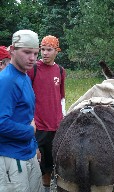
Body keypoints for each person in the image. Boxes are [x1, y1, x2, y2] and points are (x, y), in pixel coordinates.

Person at [0, 29, 43, 191]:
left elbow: (26, 116)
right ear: (12, 50)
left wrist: (35, 146)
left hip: (27, 152)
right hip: (10, 157)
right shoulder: (7, 81)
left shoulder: (24, 76)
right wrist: (29, 131)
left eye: (35, 53)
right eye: (26, 52)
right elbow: (1, 122)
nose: (32, 58)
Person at [27, 35, 66, 187]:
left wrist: (62, 118)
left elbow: (61, 97)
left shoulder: (61, 71)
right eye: (42, 49)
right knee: (35, 164)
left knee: (50, 166)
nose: (45, 53)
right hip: (37, 126)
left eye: (49, 50)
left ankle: (47, 188)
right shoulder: (33, 69)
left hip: (55, 127)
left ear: (57, 51)